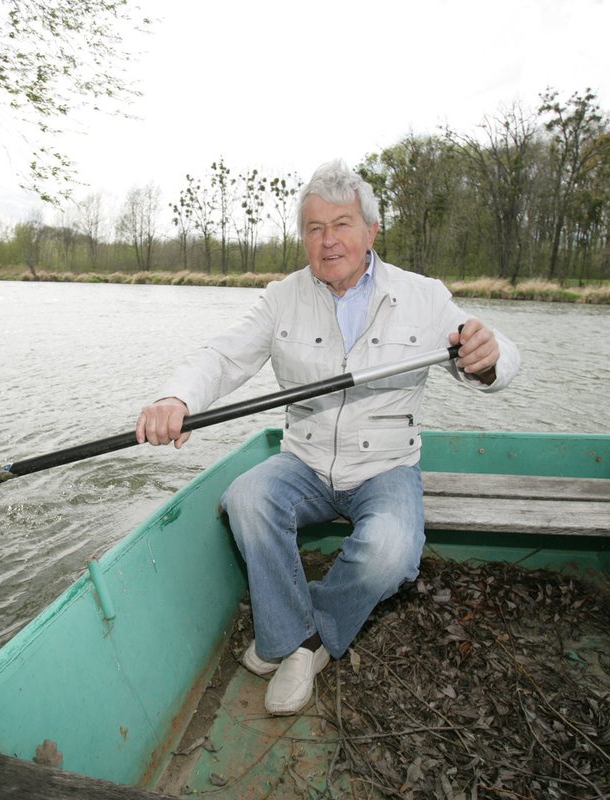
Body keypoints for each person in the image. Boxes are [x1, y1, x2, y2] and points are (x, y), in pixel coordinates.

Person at [136, 159, 520, 716]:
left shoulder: (424, 295)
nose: (328, 240)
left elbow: (495, 358)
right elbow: (222, 356)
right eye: (314, 228)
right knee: (246, 497)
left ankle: (307, 636)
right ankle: (292, 640)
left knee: (390, 554)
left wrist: (489, 357)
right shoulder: (281, 297)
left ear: (371, 231)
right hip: (306, 461)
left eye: (342, 224)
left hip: (387, 466)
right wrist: (177, 398)